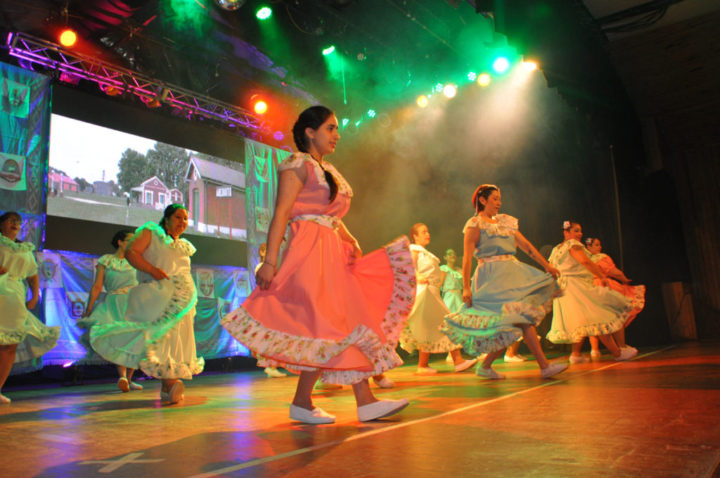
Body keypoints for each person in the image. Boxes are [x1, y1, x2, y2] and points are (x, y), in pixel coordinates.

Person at [221, 106, 415, 424]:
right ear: (310, 132)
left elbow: (331, 215)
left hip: (331, 250)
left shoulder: (327, 169)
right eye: (330, 128)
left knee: (327, 326)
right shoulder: (297, 164)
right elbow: (282, 213)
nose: (337, 134)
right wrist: (269, 261)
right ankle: (362, 401)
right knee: (333, 323)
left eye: (337, 128)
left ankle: (303, 402)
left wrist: (349, 239)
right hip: (307, 251)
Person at [441, 185, 567, 380]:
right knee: (514, 321)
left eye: (500, 199)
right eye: (495, 199)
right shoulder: (475, 224)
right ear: (483, 200)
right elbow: (466, 258)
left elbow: (526, 246)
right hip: (491, 278)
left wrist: (546, 265)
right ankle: (543, 366)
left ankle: (487, 367)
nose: (499, 203)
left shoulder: (506, 222)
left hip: (512, 274)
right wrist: (466, 286)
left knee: (516, 321)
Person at [90, 205, 204, 404]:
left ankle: (168, 386)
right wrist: (152, 270)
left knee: (176, 340)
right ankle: (169, 383)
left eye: (186, 219)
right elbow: (132, 253)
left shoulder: (183, 245)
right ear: (166, 218)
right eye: (178, 217)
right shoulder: (151, 232)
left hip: (182, 302)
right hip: (159, 296)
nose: (183, 222)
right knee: (161, 338)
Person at [546, 221, 638, 363]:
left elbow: (551, 270)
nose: (580, 234)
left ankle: (575, 355)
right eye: (576, 231)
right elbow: (586, 262)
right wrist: (601, 276)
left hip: (564, 290)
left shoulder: (556, 250)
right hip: (577, 287)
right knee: (596, 318)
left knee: (582, 321)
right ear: (566, 233)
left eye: (580, 231)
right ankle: (618, 352)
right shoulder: (573, 245)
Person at [400, 224, 476, 375]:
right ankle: (458, 361)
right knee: (446, 323)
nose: (427, 234)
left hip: (432, 292)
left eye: (428, 231)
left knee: (426, 328)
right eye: (423, 232)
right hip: (425, 292)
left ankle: (422, 365)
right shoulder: (415, 250)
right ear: (415, 236)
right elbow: (407, 268)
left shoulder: (425, 252)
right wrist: (417, 276)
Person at [0, 211, 60, 403]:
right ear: (1, 224)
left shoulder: (24, 249)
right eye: (11, 221)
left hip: (15, 295)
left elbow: (32, 274)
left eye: (18, 221)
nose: (15, 224)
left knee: (10, 343)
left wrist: (34, 296)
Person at [77, 230, 142, 392]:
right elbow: (97, 286)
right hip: (114, 303)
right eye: (130, 239)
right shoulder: (106, 260)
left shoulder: (138, 260)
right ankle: (122, 376)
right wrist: (89, 308)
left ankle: (129, 379)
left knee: (136, 339)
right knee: (118, 337)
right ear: (120, 242)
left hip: (134, 302)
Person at [583, 237, 645, 360]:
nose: (599, 247)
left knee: (595, 320)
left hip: (588, 289)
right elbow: (613, 271)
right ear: (588, 247)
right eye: (596, 245)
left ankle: (594, 350)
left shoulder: (583, 260)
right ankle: (621, 346)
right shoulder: (601, 257)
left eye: (599, 245)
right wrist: (624, 279)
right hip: (603, 286)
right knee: (616, 316)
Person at [254, 243, 286, 378]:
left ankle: (272, 365)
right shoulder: (262, 268)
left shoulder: (269, 268)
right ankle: (270, 365)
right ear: (262, 252)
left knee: (274, 335)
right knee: (270, 335)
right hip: (267, 305)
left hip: (271, 304)